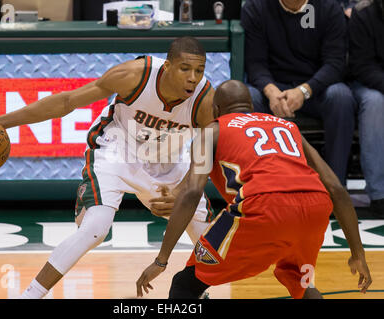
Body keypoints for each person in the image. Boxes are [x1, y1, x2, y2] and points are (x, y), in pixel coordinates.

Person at [0, 37, 217, 298]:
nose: (193, 78)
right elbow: (67, 102)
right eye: (185, 69)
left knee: (207, 240)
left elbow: (206, 154)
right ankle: (29, 295)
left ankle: (195, 294)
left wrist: (181, 190)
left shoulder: (205, 100)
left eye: (199, 71)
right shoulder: (134, 75)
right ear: (167, 66)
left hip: (169, 162)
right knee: (95, 229)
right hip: (118, 150)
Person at [136, 80, 372, 299]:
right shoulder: (288, 126)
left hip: (263, 204)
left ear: (217, 110)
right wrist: (358, 253)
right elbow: (336, 188)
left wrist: (161, 260)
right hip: (315, 206)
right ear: (250, 105)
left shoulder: (211, 131)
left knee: (185, 284)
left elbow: (191, 193)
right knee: (303, 283)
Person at [241, 0, 357, 186]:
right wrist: (271, 92)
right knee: (247, 97)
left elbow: (335, 63)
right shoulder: (256, 7)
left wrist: (304, 91)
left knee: (341, 96)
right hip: (273, 88)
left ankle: (335, 186)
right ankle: (254, 187)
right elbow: (255, 63)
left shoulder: (329, 7)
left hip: (315, 89)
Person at [348, 0, 384, 216]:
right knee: (375, 103)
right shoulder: (363, 14)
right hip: (368, 84)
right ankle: (379, 193)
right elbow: (361, 66)